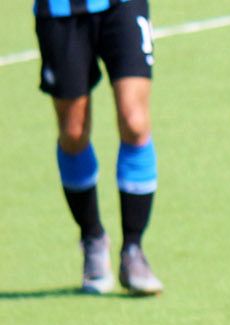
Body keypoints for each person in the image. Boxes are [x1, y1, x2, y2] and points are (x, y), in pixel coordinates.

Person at [34, 0, 162, 293]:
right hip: (60, 12)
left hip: (122, 7)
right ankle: (92, 236)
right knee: (73, 133)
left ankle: (133, 250)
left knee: (135, 123)